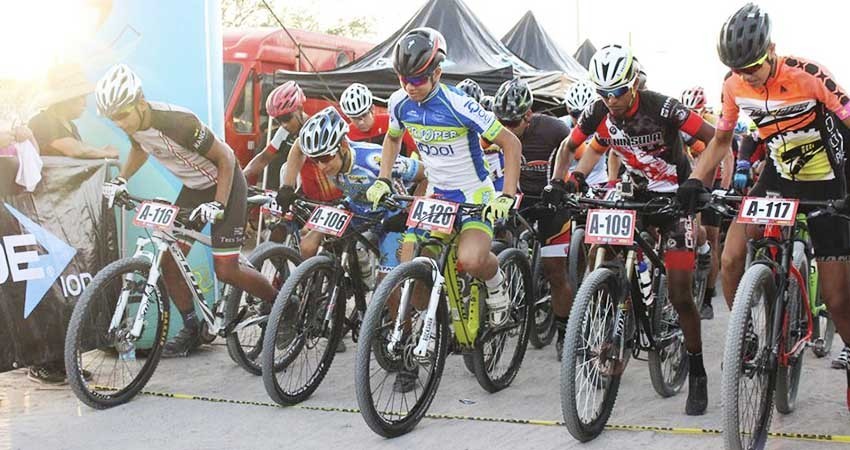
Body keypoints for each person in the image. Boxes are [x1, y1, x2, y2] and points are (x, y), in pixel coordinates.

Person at [678, 4, 850, 407]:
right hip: (776, 177)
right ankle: (749, 337)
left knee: (838, 299)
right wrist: (694, 179)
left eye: (753, 66)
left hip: (827, 180)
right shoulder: (732, 85)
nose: (747, 75)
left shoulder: (808, 74)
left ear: (771, 49)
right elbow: (721, 139)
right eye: (738, 69)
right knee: (731, 258)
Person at [548, 44, 716, 416]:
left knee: (679, 292)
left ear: (634, 84)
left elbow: (714, 139)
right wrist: (566, 179)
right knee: (605, 246)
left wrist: (699, 183)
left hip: (676, 198)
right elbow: (576, 147)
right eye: (604, 93)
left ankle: (697, 369)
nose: (612, 100)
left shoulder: (663, 107)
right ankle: (613, 304)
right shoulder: (599, 112)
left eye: (619, 91)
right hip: (636, 193)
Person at [95, 64, 278, 357]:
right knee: (168, 260)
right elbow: (140, 149)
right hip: (194, 189)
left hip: (227, 184)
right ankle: (193, 328)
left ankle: (281, 305)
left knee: (226, 269)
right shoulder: (135, 125)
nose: (119, 122)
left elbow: (226, 157)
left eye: (122, 114)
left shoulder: (178, 122)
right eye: (112, 118)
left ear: (140, 102)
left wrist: (219, 204)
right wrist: (121, 179)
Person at [364, 26, 522, 365]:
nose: (410, 86)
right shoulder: (399, 102)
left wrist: (506, 195)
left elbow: (511, 143)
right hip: (436, 194)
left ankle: (496, 285)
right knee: (410, 265)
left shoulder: (458, 104)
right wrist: (383, 179)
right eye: (403, 78)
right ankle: (433, 319)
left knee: (471, 260)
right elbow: (392, 138)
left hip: (474, 195)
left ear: (437, 72)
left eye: (418, 79)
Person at [491, 77, 576, 360]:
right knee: (498, 238)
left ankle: (564, 331)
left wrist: (570, 182)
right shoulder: (497, 130)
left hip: (553, 203)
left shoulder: (554, 129)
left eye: (512, 122)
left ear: (528, 115)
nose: (506, 128)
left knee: (555, 271)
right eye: (501, 121)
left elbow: (580, 155)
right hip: (521, 199)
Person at [680, 85, 734, 321]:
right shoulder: (682, 123)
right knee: (687, 231)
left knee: (711, 236)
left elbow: (727, 155)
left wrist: (724, 188)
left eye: (696, 110)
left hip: (715, 180)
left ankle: (708, 298)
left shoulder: (712, 121)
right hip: (693, 180)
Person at [243, 81, 342, 201]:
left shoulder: (320, 129)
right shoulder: (283, 132)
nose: (283, 125)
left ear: (300, 108)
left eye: (286, 118)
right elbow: (264, 158)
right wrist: (241, 178)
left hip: (334, 195)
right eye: (278, 120)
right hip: (308, 196)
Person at [28, 63, 118, 160]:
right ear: (68, 99)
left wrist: (100, 152)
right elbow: (75, 149)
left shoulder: (71, 126)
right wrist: (107, 153)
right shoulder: (42, 121)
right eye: (82, 97)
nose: (85, 104)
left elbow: (82, 151)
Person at [338, 82, 418, 157]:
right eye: (355, 118)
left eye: (364, 115)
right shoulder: (347, 135)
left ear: (372, 109)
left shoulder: (392, 122)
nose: (361, 122)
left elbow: (419, 149)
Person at [562, 80, 609, 187]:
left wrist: (612, 181)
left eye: (585, 114)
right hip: (571, 183)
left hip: (598, 181)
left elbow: (616, 153)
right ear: (568, 108)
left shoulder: (605, 123)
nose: (581, 119)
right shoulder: (561, 125)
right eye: (575, 114)